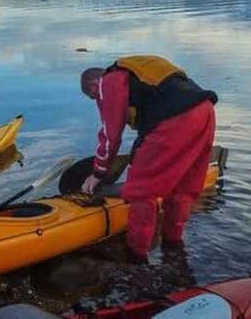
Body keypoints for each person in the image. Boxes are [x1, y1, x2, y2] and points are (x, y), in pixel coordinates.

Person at [80, 55, 217, 262]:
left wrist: (98, 172)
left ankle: (137, 258)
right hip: (205, 111)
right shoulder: (138, 72)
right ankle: (173, 248)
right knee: (182, 187)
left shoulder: (108, 81)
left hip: (174, 120)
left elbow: (111, 134)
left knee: (141, 191)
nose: (98, 102)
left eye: (94, 97)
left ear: (93, 84)